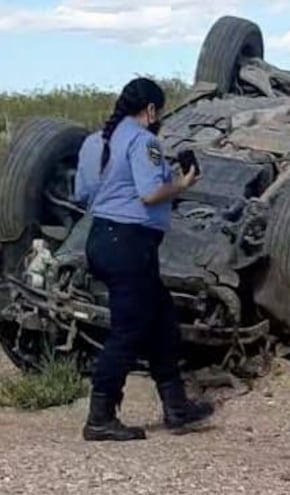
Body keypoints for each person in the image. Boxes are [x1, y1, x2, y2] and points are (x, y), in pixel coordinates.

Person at [73, 77, 214, 442]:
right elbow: (151, 194)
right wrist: (183, 184)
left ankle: (176, 407)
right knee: (128, 331)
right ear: (151, 110)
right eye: (159, 111)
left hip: (102, 238)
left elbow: (83, 192)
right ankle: (100, 416)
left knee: (161, 319)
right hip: (130, 245)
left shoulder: (94, 142)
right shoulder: (144, 141)